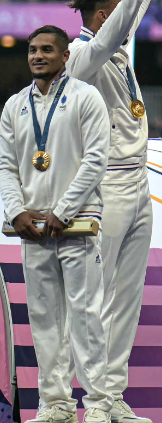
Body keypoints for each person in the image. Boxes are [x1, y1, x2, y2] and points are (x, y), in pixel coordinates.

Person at [61, 0, 162, 423]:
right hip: (104, 186)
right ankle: (72, 399)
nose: (130, 18)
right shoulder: (83, 56)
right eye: (121, 11)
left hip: (139, 182)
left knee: (126, 300)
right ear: (103, 16)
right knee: (95, 298)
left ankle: (110, 399)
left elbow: (132, 14)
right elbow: (120, 22)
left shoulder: (118, 51)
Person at [0, 26, 111, 423]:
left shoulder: (86, 97)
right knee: (44, 319)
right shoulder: (14, 106)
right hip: (32, 228)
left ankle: (98, 403)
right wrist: (15, 212)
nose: (38, 56)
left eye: (47, 49)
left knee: (85, 316)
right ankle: (55, 404)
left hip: (76, 223)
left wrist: (63, 210)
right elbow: (6, 166)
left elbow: (97, 159)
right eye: (32, 50)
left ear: (66, 56)